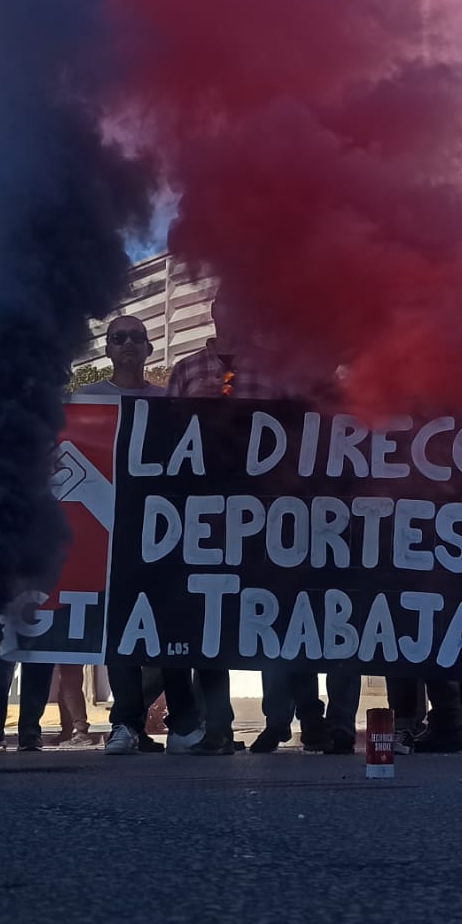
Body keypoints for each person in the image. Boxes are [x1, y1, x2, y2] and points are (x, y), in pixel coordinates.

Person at [165, 305, 311, 756]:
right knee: (211, 617)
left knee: (270, 614)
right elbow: (163, 436)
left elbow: (299, 432)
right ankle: (218, 726)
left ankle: (277, 721)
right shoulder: (186, 369)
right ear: (213, 312)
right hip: (205, 513)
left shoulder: (274, 370)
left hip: (266, 512)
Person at [79, 316, 186, 757]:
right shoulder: (86, 400)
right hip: (110, 529)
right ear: (107, 349)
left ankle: (183, 723)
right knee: (120, 628)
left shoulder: (168, 402)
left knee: (174, 625)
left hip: (165, 528)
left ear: (149, 348)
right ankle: (125, 723)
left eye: (135, 338)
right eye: (117, 338)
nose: (126, 344)